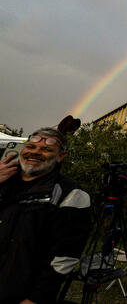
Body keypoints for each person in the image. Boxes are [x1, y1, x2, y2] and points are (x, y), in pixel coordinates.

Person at [0, 128, 91, 304]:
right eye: (31, 146)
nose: (35, 152)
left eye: (46, 149)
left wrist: (35, 298)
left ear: (60, 157)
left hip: (21, 294)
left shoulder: (71, 195)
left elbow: (65, 257)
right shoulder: (4, 182)